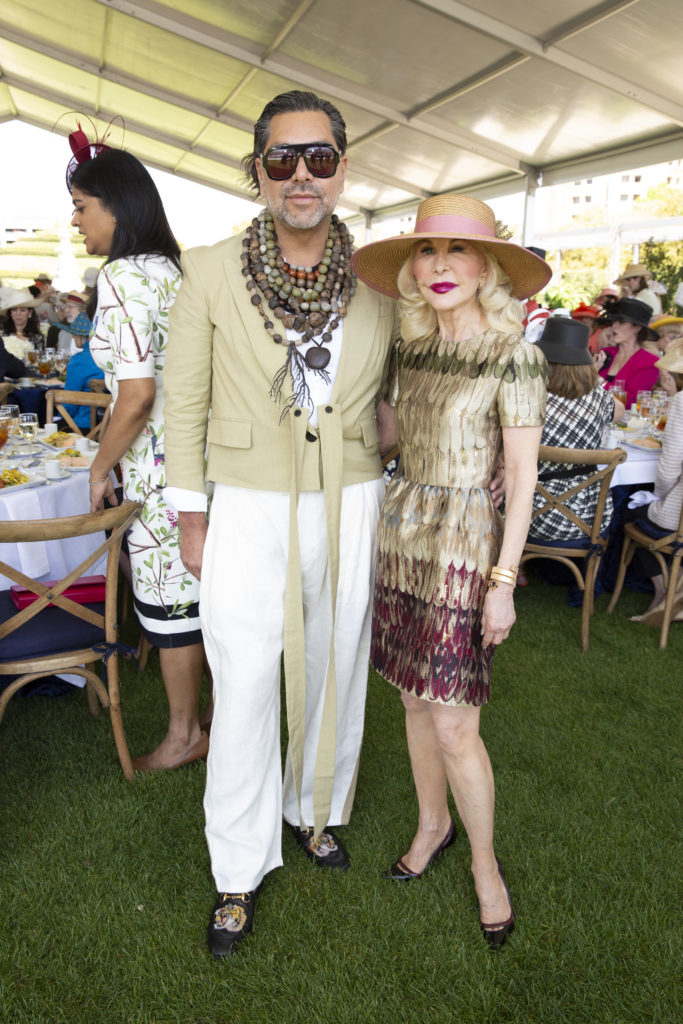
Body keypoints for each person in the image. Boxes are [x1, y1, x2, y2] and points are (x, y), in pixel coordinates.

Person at [162, 90, 400, 958]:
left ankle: (317, 810)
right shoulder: (211, 269)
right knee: (247, 679)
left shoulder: (379, 277)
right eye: (282, 159)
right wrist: (192, 513)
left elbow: (395, 399)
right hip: (247, 503)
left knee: (337, 661)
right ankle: (237, 863)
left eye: (320, 158)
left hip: (351, 498)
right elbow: (180, 403)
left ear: (343, 165)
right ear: (257, 170)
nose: (302, 175)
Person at [351, 194, 552, 949]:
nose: (439, 267)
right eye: (426, 252)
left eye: (457, 252)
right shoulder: (407, 351)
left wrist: (503, 584)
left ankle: (483, 863)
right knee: (409, 701)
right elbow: (392, 438)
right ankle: (430, 824)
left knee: (455, 723)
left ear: (488, 268)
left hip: (466, 543)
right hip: (401, 532)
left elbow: (524, 477)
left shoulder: (515, 355)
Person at [68, 142, 208, 773]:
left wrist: (99, 468)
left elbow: (137, 395)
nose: (77, 221)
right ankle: (210, 722)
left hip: (158, 469)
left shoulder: (124, 278)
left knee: (171, 603)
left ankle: (185, 735)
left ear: (116, 209)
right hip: (201, 458)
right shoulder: (174, 270)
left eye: (81, 207)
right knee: (199, 596)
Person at [528, 317, 623, 544]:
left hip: (530, 512)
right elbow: (619, 411)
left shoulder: (528, 395)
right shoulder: (599, 397)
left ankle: (512, 564)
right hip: (587, 515)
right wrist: (594, 379)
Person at [623, 346, 683, 624]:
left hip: (677, 519)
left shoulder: (681, 403)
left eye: (665, 378)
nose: (662, 383)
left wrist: (656, 497)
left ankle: (663, 593)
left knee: (631, 508)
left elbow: (669, 467)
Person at [595, 296, 659, 407]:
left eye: (621, 322)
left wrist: (596, 378)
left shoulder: (649, 363)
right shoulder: (605, 353)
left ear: (637, 328)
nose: (614, 326)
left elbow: (630, 401)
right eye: (614, 321)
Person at [0, 288, 43, 360]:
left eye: (22, 310)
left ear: (30, 313)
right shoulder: (1, 332)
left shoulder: (38, 337)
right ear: (10, 313)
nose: (18, 314)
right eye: (14, 310)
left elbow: (40, 361)